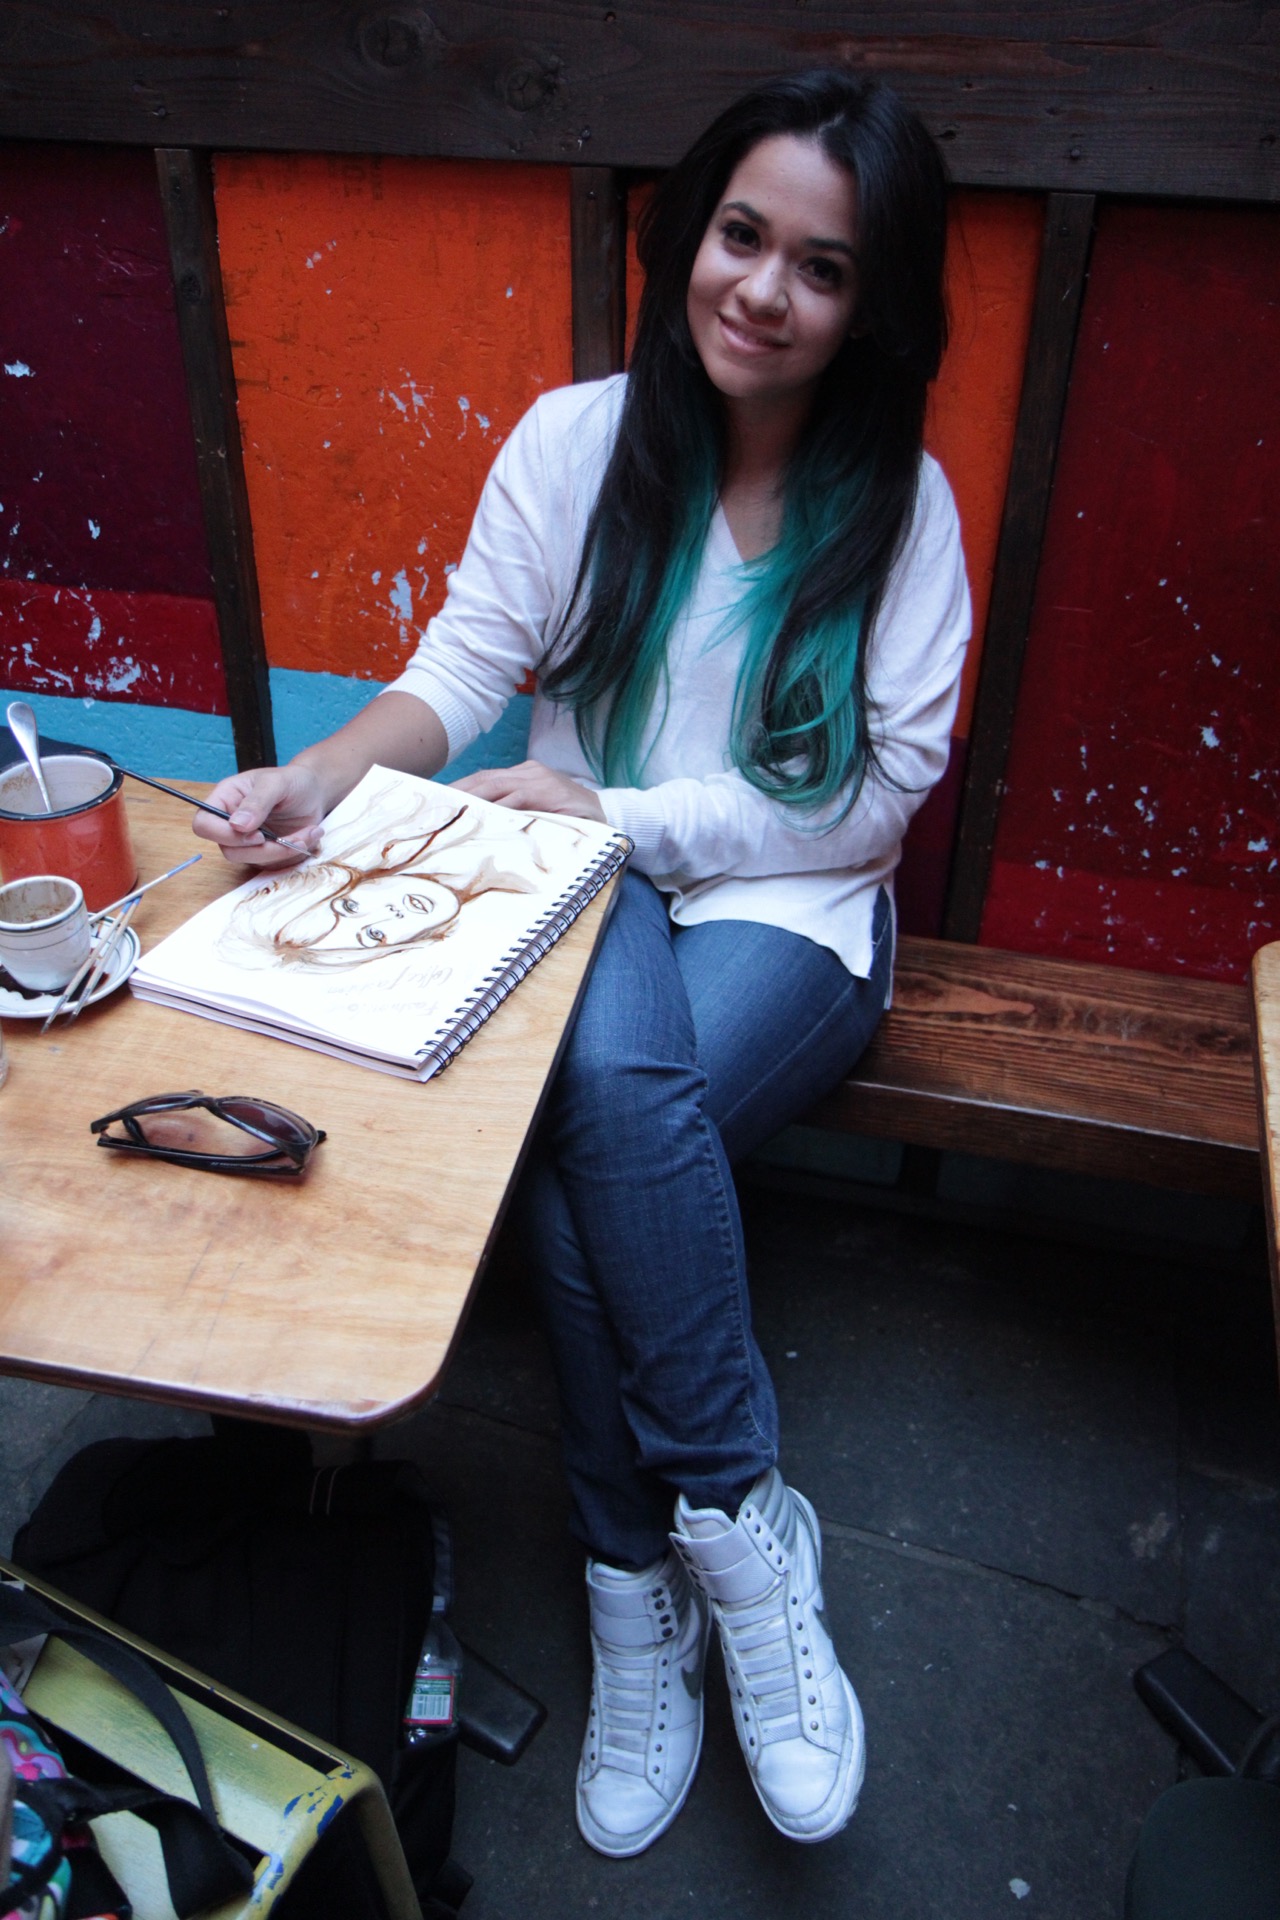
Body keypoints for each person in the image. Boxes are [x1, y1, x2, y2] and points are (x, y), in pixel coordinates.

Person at [196, 68, 970, 1858]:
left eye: (823, 268)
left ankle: (646, 1553)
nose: (762, 290)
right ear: (690, 233)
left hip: (790, 904)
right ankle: (721, 1543)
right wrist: (317, 777)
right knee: (612, 1108)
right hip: (581, 873)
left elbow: (873, 799)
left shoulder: (900, 505)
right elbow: (465, 669)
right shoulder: (576, 442)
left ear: (873, 305)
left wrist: (621, 813)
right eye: (742, 236)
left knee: (595, 1136)